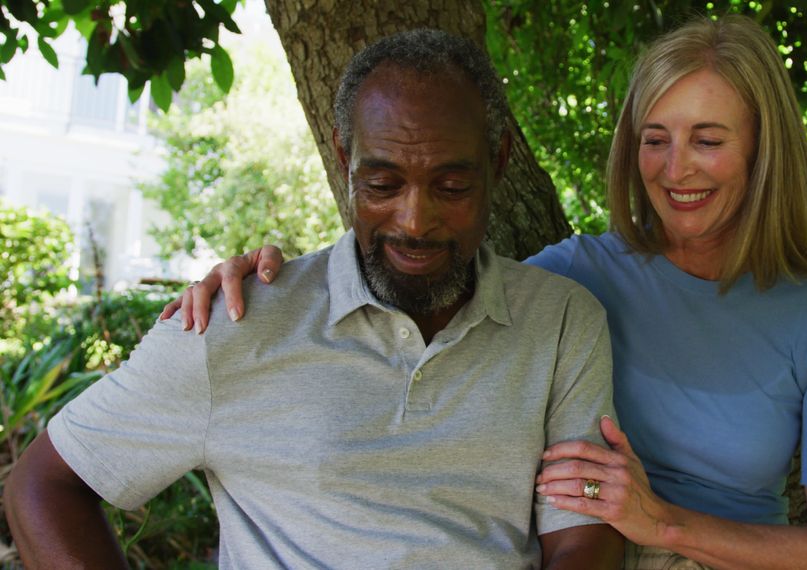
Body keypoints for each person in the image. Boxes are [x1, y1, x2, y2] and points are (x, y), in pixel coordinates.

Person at [162, 15, 807, 569]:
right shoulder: (573, 279)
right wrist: (266, 287)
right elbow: (412, 272)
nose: (674, 168)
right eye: (655, 138)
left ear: (762, 149)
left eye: (708, 139)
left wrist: (659, 521)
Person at [4, 29, 625, 569]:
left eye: (453, 184)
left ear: (499, 161)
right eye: (383, 183)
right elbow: (45, 484)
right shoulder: (237, 324)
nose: (415, 219)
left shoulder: (562, 321)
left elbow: (581, 537)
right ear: (343, 156)